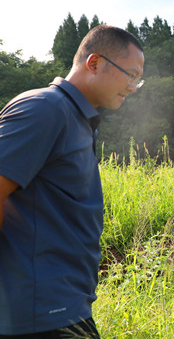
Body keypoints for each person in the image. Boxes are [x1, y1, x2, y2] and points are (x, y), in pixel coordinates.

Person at [0, 25, 144, 338]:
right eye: (130, 75)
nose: (134, 87)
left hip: (64, 306)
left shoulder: (78, 118)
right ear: (94, 63)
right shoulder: (45, 109)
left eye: (138, 79)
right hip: (39, 313)